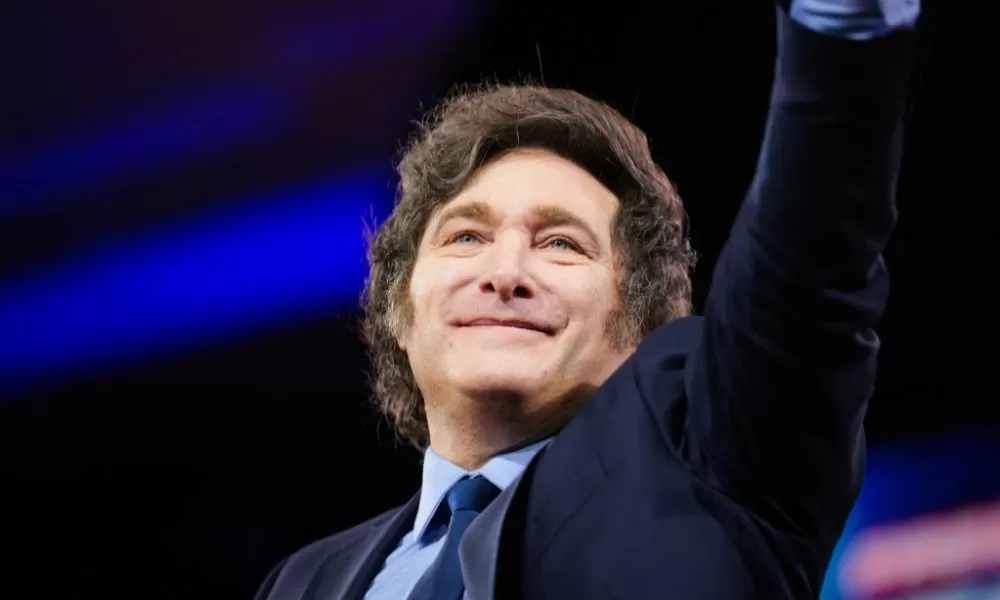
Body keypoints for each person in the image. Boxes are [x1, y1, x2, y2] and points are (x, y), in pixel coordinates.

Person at [255, 1, 922, 598]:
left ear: (635, 323)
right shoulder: (304, 581)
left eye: (560, 244)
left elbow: (803, 270)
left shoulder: (712, 462)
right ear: (401, 309)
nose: (505, 272)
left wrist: (842, 25)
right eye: (466, 236)